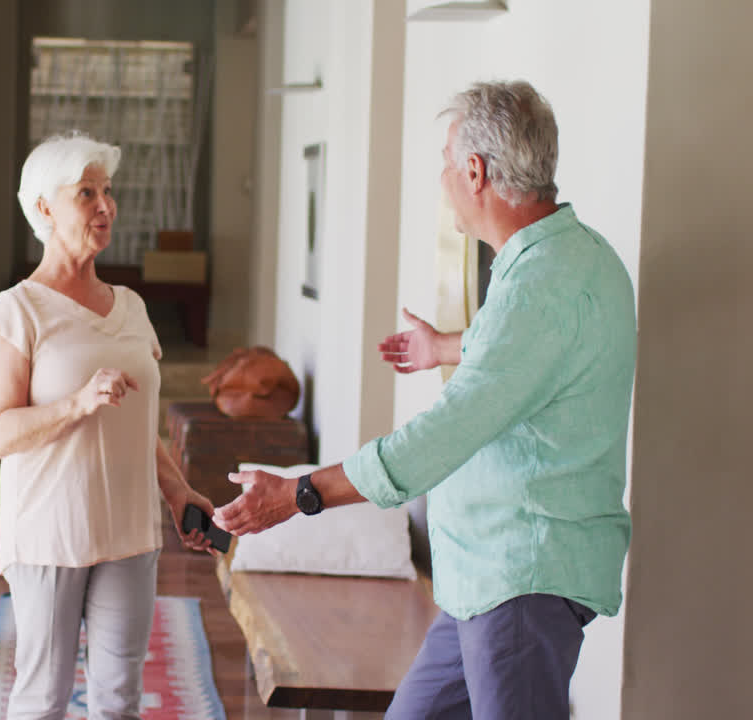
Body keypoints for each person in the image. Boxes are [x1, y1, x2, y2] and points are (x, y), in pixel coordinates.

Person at [213, 80, 636, 719]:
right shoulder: (580, 258)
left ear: (475, 172)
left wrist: (301, 495)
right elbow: (538, 358)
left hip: (519, 580)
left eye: (445, 160)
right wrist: (449, 347)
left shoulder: (536, 288)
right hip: (485, 579)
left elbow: (439, 438)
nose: (441, 177)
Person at [0, 131, 216, 720]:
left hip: (129, 532)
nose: (105, 206)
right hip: (50, 533)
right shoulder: (15, 312)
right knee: (44, 698)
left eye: (107, 191)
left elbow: (140, 426)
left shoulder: (133, 308)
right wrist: (77, 404)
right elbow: (1, 434)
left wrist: (177, 488)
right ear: (43, 208)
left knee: (119, 699)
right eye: (86, 193)